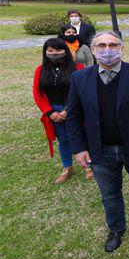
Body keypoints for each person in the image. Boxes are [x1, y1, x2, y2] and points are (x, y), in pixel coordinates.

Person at [66, 32, 129, 253]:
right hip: (99, 149)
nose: (107, 49)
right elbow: (73, 116)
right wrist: (79, 148)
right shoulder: (79, 78)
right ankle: (116, 228)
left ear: (121, 48)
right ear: (93, 50)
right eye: (101, 45)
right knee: (110, 193)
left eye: (112, 45)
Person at [32, 38, 89, 184]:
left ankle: (88, 165)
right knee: (63, 140)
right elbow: (37, 93)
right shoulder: (40, 69)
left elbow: (83, 91)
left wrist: (68, 110)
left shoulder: (78, 67)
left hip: (74, 109)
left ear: (65, 51)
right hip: (53, 111)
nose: (54, 53)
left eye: (58, 50)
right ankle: (67, 167)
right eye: (50, 51)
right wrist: (49, 112)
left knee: (81, 135)